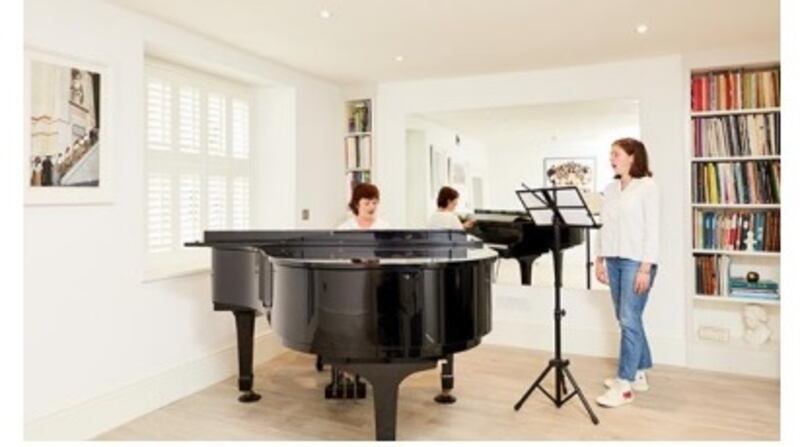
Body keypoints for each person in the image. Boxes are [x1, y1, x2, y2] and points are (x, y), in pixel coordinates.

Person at [594, 137, 659, 408]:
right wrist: (598, 259)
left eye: (616, 154)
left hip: (636, 262)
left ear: (633, 157)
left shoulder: (648, 187)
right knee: (626, 319)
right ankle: (639, 372)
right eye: (611, 154)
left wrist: (646, 267)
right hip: (613, 259)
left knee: (629, 319)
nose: (612, 158)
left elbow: (652, 229)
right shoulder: (610, 189)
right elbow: (604, 226)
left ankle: (624, 385)